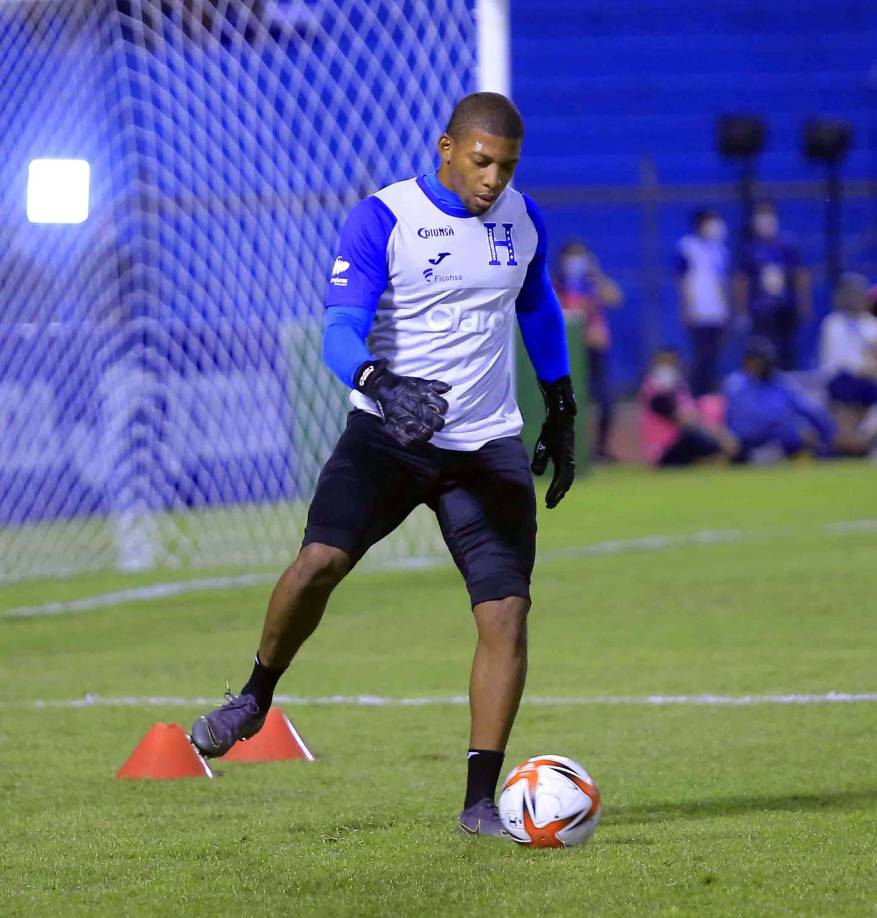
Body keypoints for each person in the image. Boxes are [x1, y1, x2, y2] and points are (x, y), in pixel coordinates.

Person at [189, 93, 576, 839]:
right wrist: (377, 383)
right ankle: (254, 696)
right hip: (388, 433)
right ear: (445, 148)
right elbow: (339, 327)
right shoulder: (383, 217)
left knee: (506, 614)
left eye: (506, 165)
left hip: (484, 445)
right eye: (480, 161)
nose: (493, 179)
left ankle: (477, 803)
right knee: (317, 564)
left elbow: (538, 306)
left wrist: (559, 403)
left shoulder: (523, 220)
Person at [555, 241, 623, 461]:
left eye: (581, 256)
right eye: (573, 256)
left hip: (596, 351)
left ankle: (601, 449)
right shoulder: (557, 286)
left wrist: (597, 275)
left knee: (606, 401)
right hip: (570, 353)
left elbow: (615, 298)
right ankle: (569, 449)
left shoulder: (592, 284)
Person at [724, 337, 835, 462]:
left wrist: (827, 431)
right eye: (760, 361)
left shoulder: (779, 380)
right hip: (747, 442)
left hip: (783, 440)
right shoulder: (737, 383)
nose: (763, 365)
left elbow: (809, 408)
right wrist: (793, 428)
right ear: (749, 361)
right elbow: (749, 421)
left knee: (816, 440)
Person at [735, 200, 811, 371]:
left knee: (787, 350)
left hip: (786, 307)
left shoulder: (787, 244)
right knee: (762, 350)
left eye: (768, 214)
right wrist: (742, 311)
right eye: (761, 215)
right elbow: (742, 281)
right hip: (761, 310)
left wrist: (804, 304)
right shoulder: (750, 248)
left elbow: (801, 275)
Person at [639, 348, 736, 467]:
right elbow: (684, 418)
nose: (667, 367)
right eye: (663, 363)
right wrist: (719, 434)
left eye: (670, 363)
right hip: (663, 450)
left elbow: (692, 414)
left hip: (679, 443)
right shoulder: (653, 391)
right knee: (697, 438)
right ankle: (714, 458)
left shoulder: (680, 388)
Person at [675, 209, 732, 396]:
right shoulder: (687, 246)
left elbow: (723, 281)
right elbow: (681, 279)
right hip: (697, 312)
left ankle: (710, 395)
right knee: (700, 356)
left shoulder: (720, 249)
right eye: (710, 222)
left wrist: (727, 309)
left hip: (718, 312)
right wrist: (685, 308)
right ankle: (695, 393)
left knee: (714, 357)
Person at [819, 272, 877, 409]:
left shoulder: (871, 323)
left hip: (868, 377)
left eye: (860, 293)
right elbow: (838, 362)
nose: (856, 298)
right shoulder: (833, 323)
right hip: (841, 378)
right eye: (851, 294)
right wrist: (865, 368)